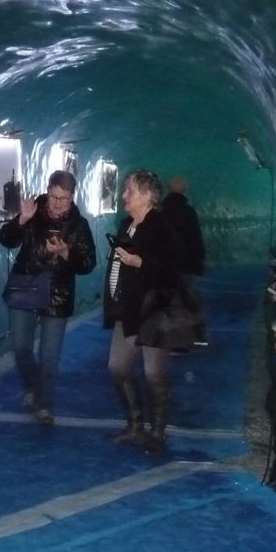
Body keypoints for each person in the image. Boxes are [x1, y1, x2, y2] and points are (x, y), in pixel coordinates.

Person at [0, 170, 97, 425]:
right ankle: (33, 386)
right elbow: (6, 240)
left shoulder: (79, 225)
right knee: (20, 348)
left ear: (73, 196)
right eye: (53, 196)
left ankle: (43, 405)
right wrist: (21, 220)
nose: (57, 203)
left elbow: (88, 263)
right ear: (48, 191)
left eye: (63, 198)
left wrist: (66, 254)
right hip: (26, 288)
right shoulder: (33, 214)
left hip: (57, 293)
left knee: (49, 355)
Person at [103, 169, 183, 454]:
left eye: (130, 191)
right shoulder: (128, 225)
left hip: (154, 310)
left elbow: (172, 270)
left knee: (154, 374)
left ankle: (157, 431)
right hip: (127, 310)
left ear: (147, 197)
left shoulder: (161, 227)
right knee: (118, 367)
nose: (124, 196)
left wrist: (141, 263)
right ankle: (135, 424)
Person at [161, 176, 205, 282]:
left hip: (166, 266)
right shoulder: (189, 212)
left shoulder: (161, 211)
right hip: (187, 265)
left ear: (168, 190)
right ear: (185, 190)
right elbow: (196, 240)